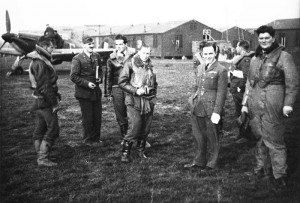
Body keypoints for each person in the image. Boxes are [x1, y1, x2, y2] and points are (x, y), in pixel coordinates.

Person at [241, 25, 299, 187]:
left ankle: (279, 174)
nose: (264, 41)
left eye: (267, 38)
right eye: (261, 38)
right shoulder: (255, 58)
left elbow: (293, 84)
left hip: (273, 103)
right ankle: (260, 168)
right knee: (259, 136)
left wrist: (288, 104)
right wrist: (245, 104)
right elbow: (249, 83)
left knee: (275, 139)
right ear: (258, 40)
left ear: (273, 38)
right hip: (254, 103)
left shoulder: (284, 57)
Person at [185, 42, 228, 171]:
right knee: (198, 135)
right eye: (205, 53)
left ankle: (212, 163)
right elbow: (197, 85)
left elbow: (222, 93)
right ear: (202, 54)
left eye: (210, 53)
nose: (208, 56)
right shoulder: (200, 67)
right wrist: (191, 99)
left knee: (212, 136)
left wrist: (217, 112)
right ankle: (199, 161)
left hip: (211, 107)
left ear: (215, 53)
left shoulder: (221, 70)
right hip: (198, 105)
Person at [118, 44, 157, 162]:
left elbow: (154, 83)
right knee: (135, 126)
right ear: (139, 52)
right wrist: (136, 91)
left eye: (148, 53)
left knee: (145, 128)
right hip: (133, 100)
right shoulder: (130, 63)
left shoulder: (151, 65)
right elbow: (122, 82)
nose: (146, 55)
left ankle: (141, 151)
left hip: (148, 100)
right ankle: (125, 153)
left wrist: (153, 94)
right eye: (144, 53)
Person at [30, 37, 61, 167]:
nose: (53, 49)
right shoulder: (40, 63)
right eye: (51, 46)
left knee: (40, 128)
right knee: (53, 129)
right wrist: (54, 103)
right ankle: (42, 158)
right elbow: (44, 87)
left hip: (38, 101)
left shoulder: (37, 61)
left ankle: (40, 154)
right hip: (45, 102)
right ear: (46, 47)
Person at [70, 36, 103, 146]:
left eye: (93, 43)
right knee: (88, 118)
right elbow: (73, 76)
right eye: (89, 44)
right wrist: (87, 84)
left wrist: (100, 78)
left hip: (96, 92)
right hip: (84, 93)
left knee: (97, 117)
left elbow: (100, 70)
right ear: (83, 45)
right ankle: (88, 140)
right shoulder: (77, 58)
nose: (92, 46)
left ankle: (96, 139)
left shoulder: (97, 56)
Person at [105, 34, 136, 141]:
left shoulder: (133, 55)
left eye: (121, 44)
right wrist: (108, 93)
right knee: (120, 114)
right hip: (116, 88)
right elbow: (108, 76)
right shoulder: (111, 59)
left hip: (130, 87)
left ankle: (136, 136)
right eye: (116, 44)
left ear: (126, 44)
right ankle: (126, 138)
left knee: (133, 112)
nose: (118, 46)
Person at [229, 40, 255, 143]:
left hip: (240, 90)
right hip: (236, 88)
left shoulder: (246, 60)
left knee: (242, 112)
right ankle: (242, 134)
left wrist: (240, 88)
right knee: (238, 111)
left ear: (241, 47)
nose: (236, 48)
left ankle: (245, 135)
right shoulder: (242, 58)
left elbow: (246, 76)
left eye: (237, 46)